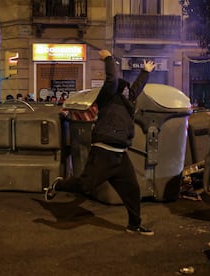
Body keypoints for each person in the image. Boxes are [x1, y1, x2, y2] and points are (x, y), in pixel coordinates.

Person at [44, 49, 156, 236]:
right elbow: (112, 81)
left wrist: (146, 72)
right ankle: (59, 185)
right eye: (125, 88)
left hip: (120, 154)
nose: (128, 91)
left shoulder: (127, 102)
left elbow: (136, 89)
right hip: (103, 152)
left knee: (132, 190)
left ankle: (134, 225)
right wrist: (108, 59)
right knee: (85, 186)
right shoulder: (106, 98)